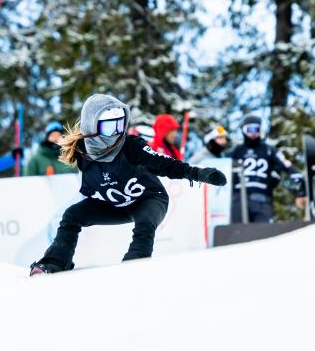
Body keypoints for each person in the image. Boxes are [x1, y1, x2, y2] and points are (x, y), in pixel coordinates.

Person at [28, 95, 226, 275]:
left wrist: (198, 174)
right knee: (72, 215)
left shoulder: (130, 146)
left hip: (149, 199)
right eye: (109, 127)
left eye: (119, 125)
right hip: (114, 205)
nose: (116, 133)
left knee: (145, 223)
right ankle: (54, 262)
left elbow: (165, 164)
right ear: (92, 126)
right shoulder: (82, 152)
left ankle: (134, 266)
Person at [228, 114, 306, 223]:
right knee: (237, 232)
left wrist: (301, 192)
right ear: (243, 130)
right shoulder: (235, 151)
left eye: (257, 129)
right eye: (250, 129)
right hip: (238, 197)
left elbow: (289, 168)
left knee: (263, 233)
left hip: (262, 198)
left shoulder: (270, 150)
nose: (254, 133)